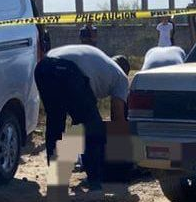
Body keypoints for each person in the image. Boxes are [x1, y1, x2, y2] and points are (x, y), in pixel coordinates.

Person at [34, 44, 131, 192]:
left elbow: (79, 108)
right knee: (92, 126)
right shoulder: (121, 77)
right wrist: (123, 149)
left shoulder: (101, 63)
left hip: (43, 67)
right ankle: (94, 180)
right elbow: (118, 117)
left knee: (55, 121)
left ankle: (58, 178)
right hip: (68, 70)